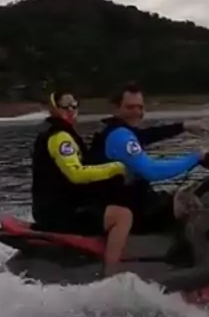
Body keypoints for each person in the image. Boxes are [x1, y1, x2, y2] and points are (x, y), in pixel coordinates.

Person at [89, 82, 209, 236]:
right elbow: (151, 171)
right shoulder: (120, 136)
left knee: (181, 196)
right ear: (115, 109)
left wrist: (184, 126)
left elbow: (150, 134)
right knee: (189, 206)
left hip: (130, 201)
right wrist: (195, 158)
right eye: (130, 107)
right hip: (128, 210)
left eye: (140, 107)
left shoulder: (119, 130)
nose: (137, 112)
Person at [31, 91, 133, 272]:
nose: (71, 111)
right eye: (65, 107)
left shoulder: (56, 133)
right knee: (122, 216)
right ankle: (112, 275)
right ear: (55, 109)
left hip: (51, 208)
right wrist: (116, 168)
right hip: (57, 213)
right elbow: (75, 173)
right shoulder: (60, 137)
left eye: (74, 106)